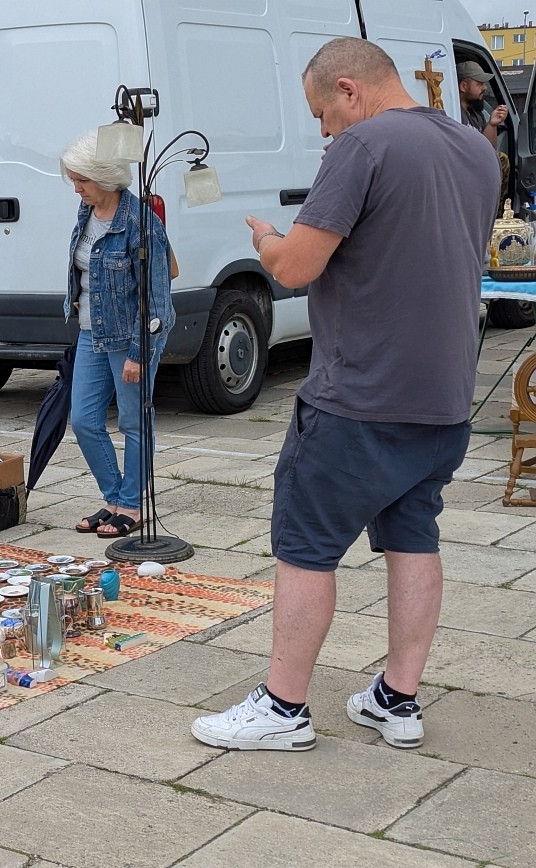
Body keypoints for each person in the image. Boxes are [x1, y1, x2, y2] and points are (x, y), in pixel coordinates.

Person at [191, 37, 498, 752]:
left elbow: (297, 267)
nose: (324, 130)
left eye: (322, 113)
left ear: (351, 90)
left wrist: (267, 240)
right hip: (444, 395)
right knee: (414, 538)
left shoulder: (361, 150)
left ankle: (283, 707)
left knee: (304, 546)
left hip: (358, 395)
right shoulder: (475, 150)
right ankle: (398, 698)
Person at [61, 133, 176, 539]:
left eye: (82, 181)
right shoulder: (86, 211)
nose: (76, 188)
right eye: (73, 180)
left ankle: (132, 504)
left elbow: (158, 302)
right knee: (84, 420)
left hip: (129, 340)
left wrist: (139, 352)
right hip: (91, 332)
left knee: (134, 422)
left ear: (106, 177)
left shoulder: (141, 225)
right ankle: (113, 498)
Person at [457, 60, 510, 215]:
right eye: (479, 83)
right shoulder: (453, 111)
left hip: (474, 169)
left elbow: (487, 149)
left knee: (500, 159)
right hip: (464, 172)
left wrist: (492, 124)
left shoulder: (476, 115)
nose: (484, 88)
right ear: (463, 86)